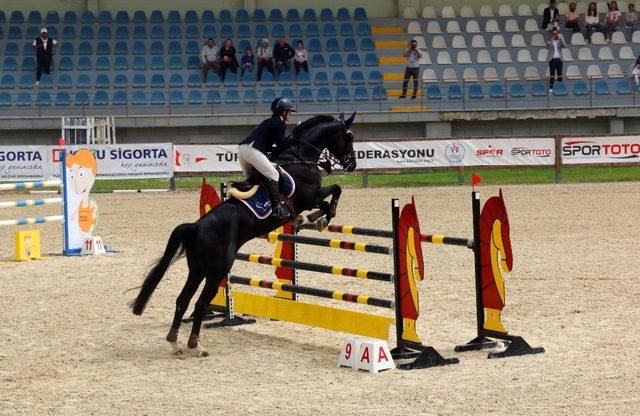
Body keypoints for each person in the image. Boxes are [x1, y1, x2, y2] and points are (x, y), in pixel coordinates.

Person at [238, 98, 296, 219]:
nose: (290, 114)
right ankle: (277, 208)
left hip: (243, 149)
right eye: (289, 111)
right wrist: (293, 138)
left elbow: (271, 147)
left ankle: (247, 207)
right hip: (253, 151)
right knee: (274, 175)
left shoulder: (268, 121)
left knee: (251, 180)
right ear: (283, 112)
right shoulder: (280, 123)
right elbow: (281, 144)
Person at [547, 28, 565, 92]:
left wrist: (561, 41)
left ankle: (560, 87)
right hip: (552, 60)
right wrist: (550, 41)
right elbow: (546, 47)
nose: (555, 34)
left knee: (559, 74)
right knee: (552, 74)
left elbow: (564, 46)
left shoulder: (559, 41)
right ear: (552, 34)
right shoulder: (550, 40)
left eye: (556, 33)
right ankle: (551, 87)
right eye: (554, 33)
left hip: (559, 59)